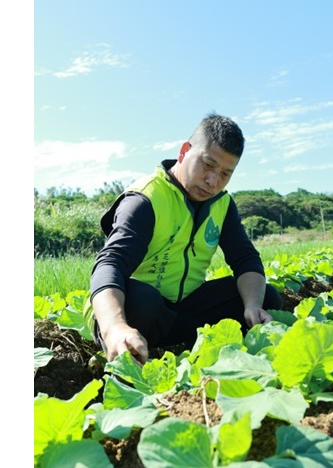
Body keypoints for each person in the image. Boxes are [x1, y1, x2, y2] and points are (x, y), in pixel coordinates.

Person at [89, 113, 282, 364]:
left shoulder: (222, 204)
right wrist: (114, 326)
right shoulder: (146, 198)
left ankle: (194, 343)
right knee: (141, 301)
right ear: (184, 151)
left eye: (225, 174)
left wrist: (253, 305)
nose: (213, 181)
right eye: (207, 165)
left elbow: (245, 258)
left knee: (265, 297)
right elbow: (111, 263)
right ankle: (124, 342)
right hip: (141, 313)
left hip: (184, 311)